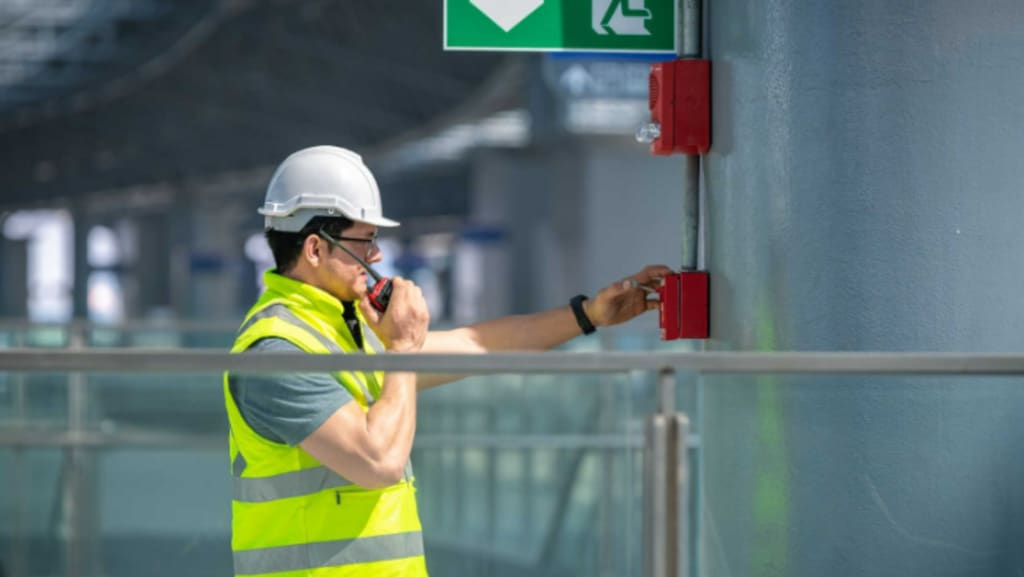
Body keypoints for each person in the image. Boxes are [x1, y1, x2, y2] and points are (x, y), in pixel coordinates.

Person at [224, 145, 671, 577]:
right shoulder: (278, 353)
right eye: (365, 241)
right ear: (315, 249)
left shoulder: (341, 334)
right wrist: (402, 347)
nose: (376, 257)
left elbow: (476, 344)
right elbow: (378, 461)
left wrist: (588, 315)